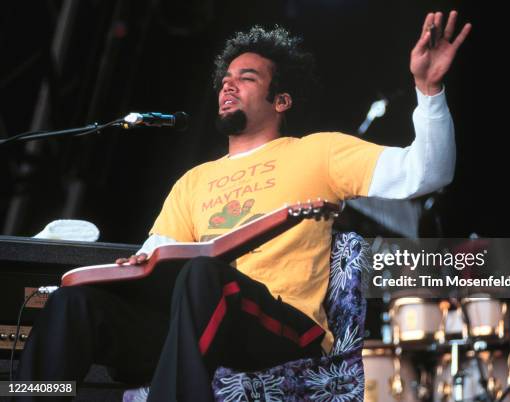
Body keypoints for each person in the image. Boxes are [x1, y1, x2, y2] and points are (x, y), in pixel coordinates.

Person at [16, 11, 470, 401]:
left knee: (204, 276)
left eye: (246, 78)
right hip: (196, 326)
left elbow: (426, 172)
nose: (229, 86)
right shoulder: (194, 181)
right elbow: (157, 259)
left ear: (281, 100)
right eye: (226, 80)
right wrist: (135, 267)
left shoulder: (317, 152)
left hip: (285, 330)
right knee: (75, 305)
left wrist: (428, 90)